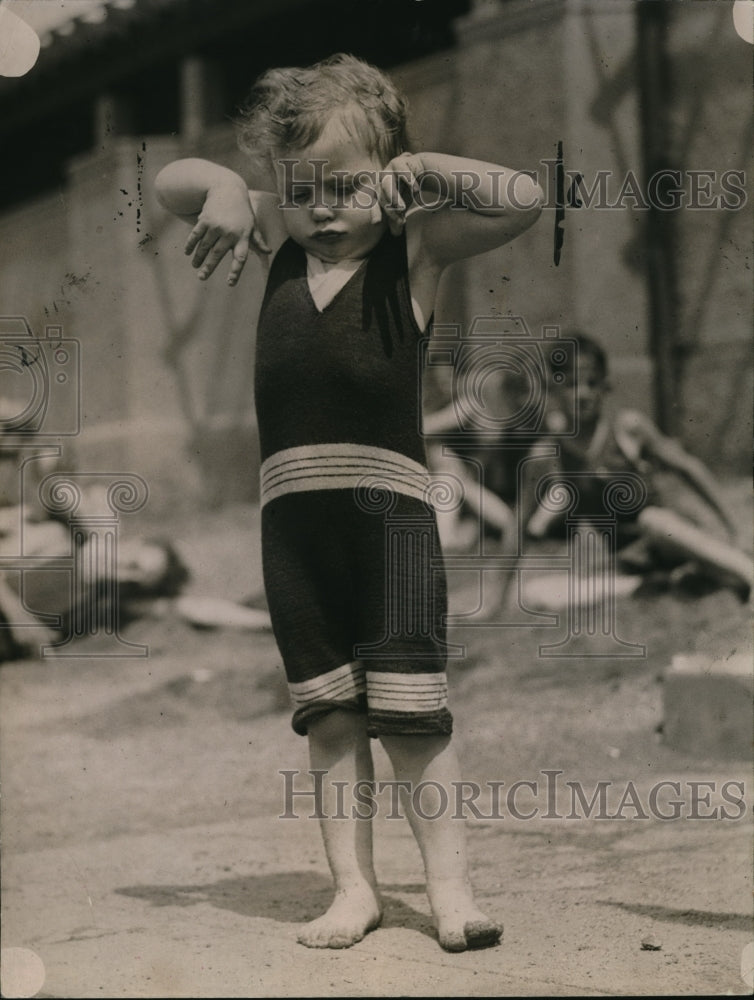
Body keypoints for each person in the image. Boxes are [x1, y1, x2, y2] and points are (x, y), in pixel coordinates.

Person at [155, 52, 543, 952]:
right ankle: (354, 891)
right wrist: (219, 182)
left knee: (414, 718)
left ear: (391, 180)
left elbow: (522, 196)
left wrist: (431, 170)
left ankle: (452, 894)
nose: (323, 209)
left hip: (390, 526)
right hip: (292, 529)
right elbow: (172, 180)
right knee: (329, 718)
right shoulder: (278, 240)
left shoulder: (415, 249)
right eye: (300, 190)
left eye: (348, 187)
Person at [525, 332, 752, 600]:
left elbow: (689, 468)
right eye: (572, 384)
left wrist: (737, 528)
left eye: (592, 383)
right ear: (553, 388)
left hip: (672, 538)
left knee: (652, 519)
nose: (583, 394)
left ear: (605, 387)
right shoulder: (547, 454)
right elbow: (518, 525)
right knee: (534, 593)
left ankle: (746, 571)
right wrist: (494, 597)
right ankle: (662, 583)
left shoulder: (626, 429)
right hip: (631, 557)